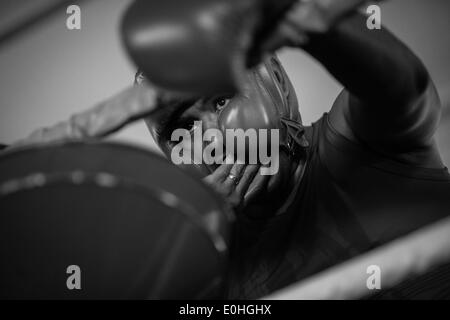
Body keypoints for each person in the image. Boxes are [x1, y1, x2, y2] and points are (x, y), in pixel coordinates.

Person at [5, 1, 450, 299]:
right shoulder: (199, 264)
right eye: (182, 128)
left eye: (221, 100)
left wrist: (293, 16)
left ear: (277, 82)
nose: (212, 137)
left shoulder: (356, 144)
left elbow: (403, 89)